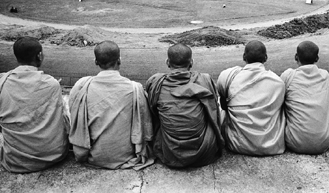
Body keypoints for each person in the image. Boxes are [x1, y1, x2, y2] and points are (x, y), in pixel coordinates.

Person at [69, 41, 154, 170]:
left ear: (96, 61)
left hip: (93, 156)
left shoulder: (82, 86)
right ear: (119, 60)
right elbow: (147, 125)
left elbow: (73, 115)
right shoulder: (135, 89)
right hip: (127, 155)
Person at [146, 43, 224, 168]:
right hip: (203, 150)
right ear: (191, 62)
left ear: (167, 62)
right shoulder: (204, 80)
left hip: (170, 152)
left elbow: (152, 112)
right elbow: (213, 112)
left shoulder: (156, 82)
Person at [0, 37, 69, 173]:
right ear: (39, 56)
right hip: (53, 155)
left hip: (15, 161)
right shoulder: (51, 84)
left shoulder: (3, 83)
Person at [217, 40, 285, 156]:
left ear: (244, 57)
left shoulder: (228, 76)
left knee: (219, 102)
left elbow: (223, 105)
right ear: (266, 58)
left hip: (237, 144)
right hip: (271, 146)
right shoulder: (278, 83)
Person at [280, 41, 329, 154]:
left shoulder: (289, 75)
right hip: (325, 143)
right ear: (317, 58)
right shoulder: (325, 75)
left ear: (296, 57)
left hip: (295, 143)